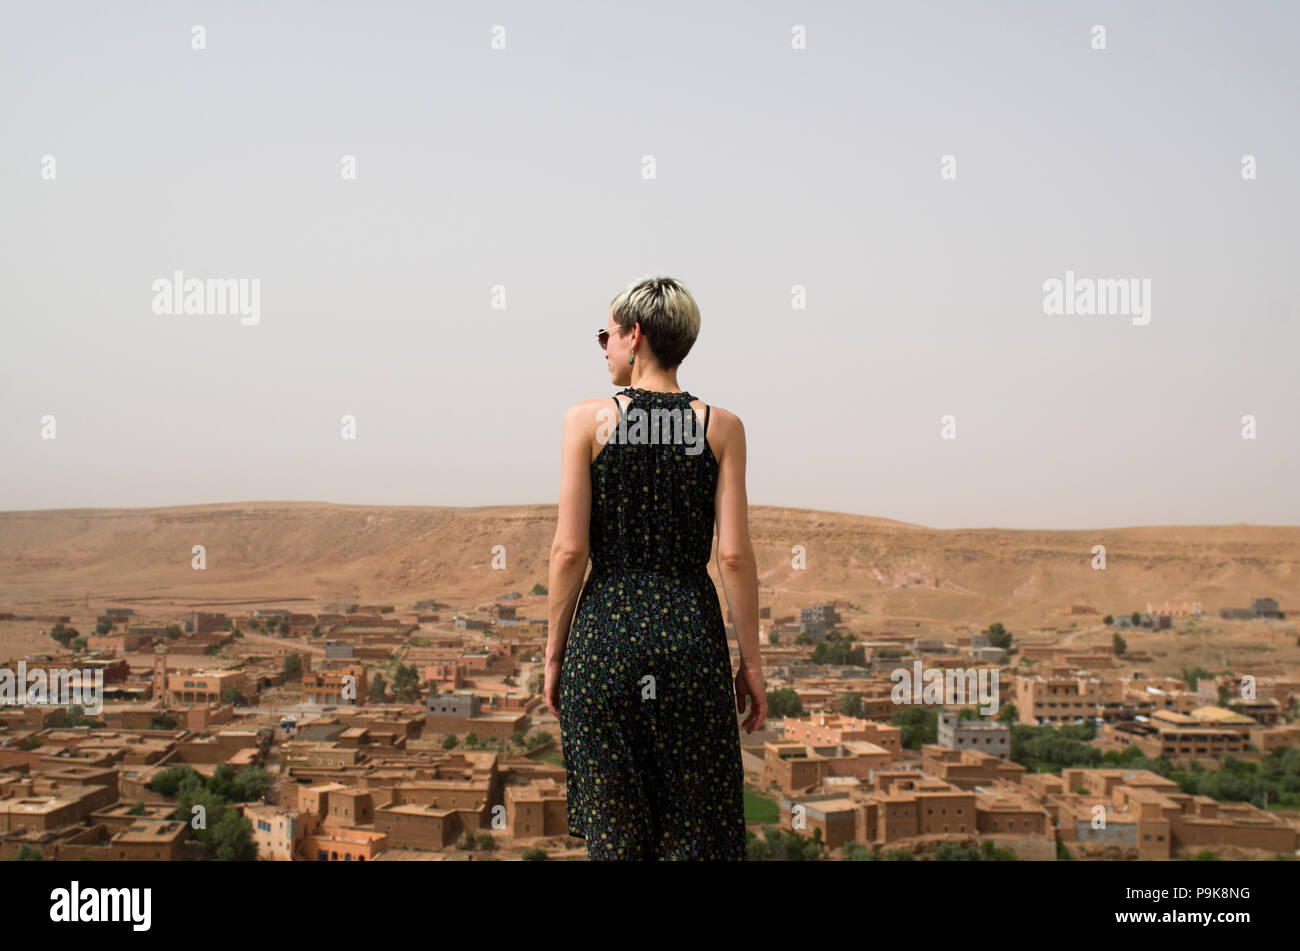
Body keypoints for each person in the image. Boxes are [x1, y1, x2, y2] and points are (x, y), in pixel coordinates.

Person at [544, 275, 766, 861]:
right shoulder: (721, 427)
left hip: (604, 643)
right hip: (691, 644)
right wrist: (752, 662)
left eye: (605, 335)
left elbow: (569, 552)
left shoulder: (585, 422)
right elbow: (736, 558)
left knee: (616, 840)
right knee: (696, 837)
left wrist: (553, 656)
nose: (604, 348)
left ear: (634, 335)